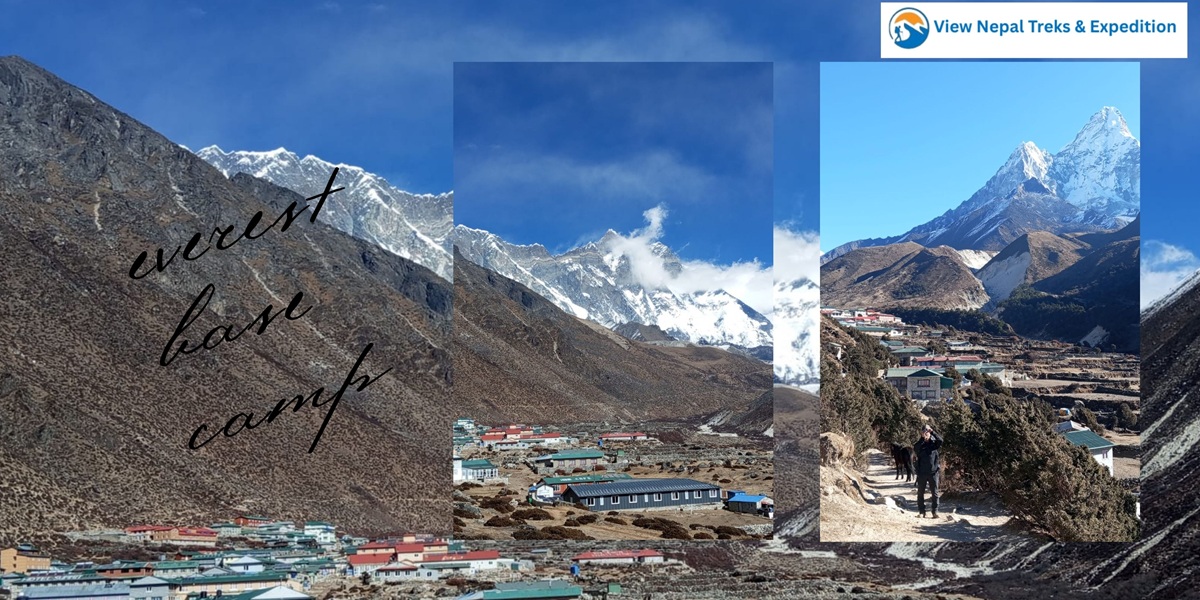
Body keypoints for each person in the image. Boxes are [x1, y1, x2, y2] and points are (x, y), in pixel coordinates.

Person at [914, 424, 942, 518]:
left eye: (927, 432)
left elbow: (940, 440)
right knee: (920, 493)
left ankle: (935, 512)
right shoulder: (920, 445)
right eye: (924, 432)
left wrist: (932, 432)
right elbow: (916, 448)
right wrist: (922, 438)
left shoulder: (933, 445)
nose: (926, 434)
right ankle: (922, 512)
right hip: (922, 473)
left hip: (933, 473)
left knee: (935, 493)